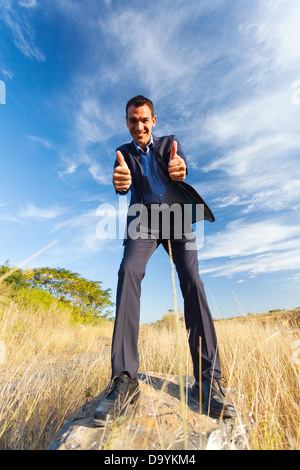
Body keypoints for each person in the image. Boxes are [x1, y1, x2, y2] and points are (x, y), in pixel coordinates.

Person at [93, 95, 236, 426]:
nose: (139, 126)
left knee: (193, 281)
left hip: (176, 219)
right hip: (143, 222)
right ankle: (125, 379)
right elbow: (121, 178)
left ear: (153, 121)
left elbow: (179, 166)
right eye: (132, 121)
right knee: (128, 270)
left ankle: (208, 381)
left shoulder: (171, 144)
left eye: (144, 120)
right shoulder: (124, 153)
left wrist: (179, 169)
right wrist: (120, 183)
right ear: (126, 123)